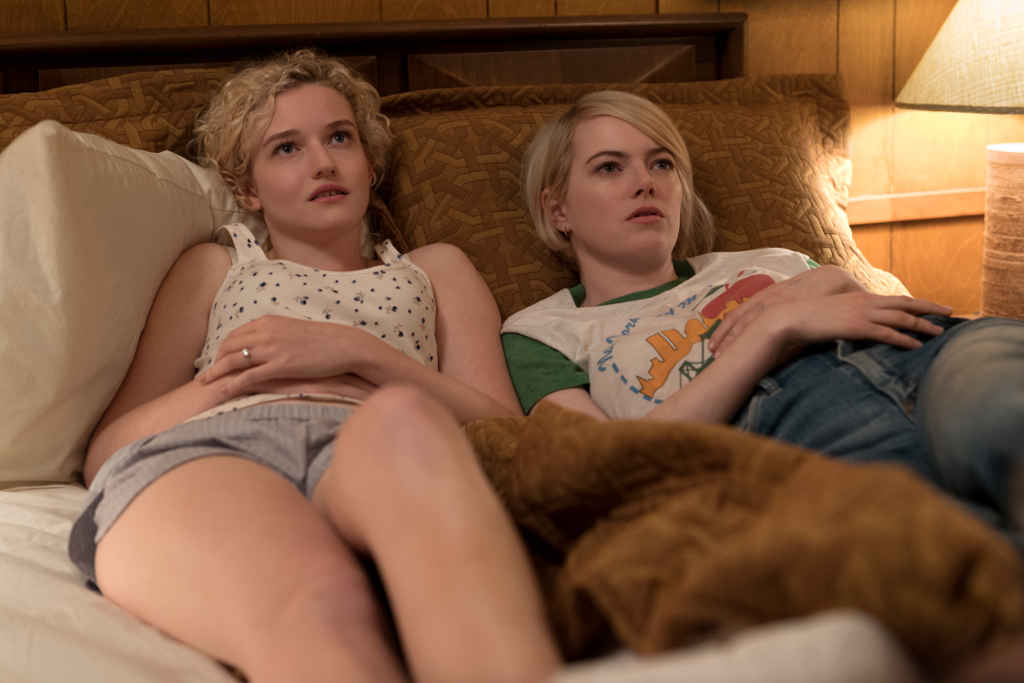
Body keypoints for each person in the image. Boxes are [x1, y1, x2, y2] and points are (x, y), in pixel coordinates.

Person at [68, 49, 560, 683]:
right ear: (248, 189)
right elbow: (106, 451)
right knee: (321, 604)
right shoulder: (217, 266)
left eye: (339, 138)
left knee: (405, 420)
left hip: (376, 435)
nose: (323, 162)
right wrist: (235, 376)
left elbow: (505, 427)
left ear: (370, 164)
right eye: (286, 148)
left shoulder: (435, 269)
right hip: (216, 447)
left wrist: (356, 352)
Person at [502, 89, 1024, 539]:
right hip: (803, 427)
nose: (646, 182)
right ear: (558, 209)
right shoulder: (543, 332)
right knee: (960, 548)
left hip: (934, 357)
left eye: (662, 164)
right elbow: (608, 464)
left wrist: (826, 279)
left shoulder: (773, 260)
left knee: (1006, 414)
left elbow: (867, 306)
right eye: (610, 167)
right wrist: (772, 328)